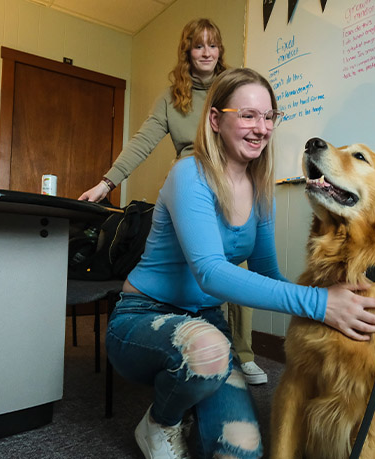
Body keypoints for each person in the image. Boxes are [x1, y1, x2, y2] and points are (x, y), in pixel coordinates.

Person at [104, 68, 375, 459]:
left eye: (269, 116)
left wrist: (334, 304)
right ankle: (160, 422)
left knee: (243, 451)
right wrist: (322, 304)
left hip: (206, 326)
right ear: (216, 120)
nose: (262, 128)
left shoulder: (260, 190)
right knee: (207, 352)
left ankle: (191, 395)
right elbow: (210, 273)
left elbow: (267, 275)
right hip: (143, 318)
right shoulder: (188, 174)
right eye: (248, 115)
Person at [78, 18, 268, 385]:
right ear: (188, 52)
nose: (207, 52)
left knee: (235, 268)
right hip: (192, 183)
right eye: (199, 46)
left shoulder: (233, 88)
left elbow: (253, 129)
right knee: (190, 267)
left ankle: (243, 353)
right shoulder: (171, 98)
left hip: (230, 181)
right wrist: (107, 183)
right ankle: (188, 343)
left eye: (213, 45)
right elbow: (142, 141)